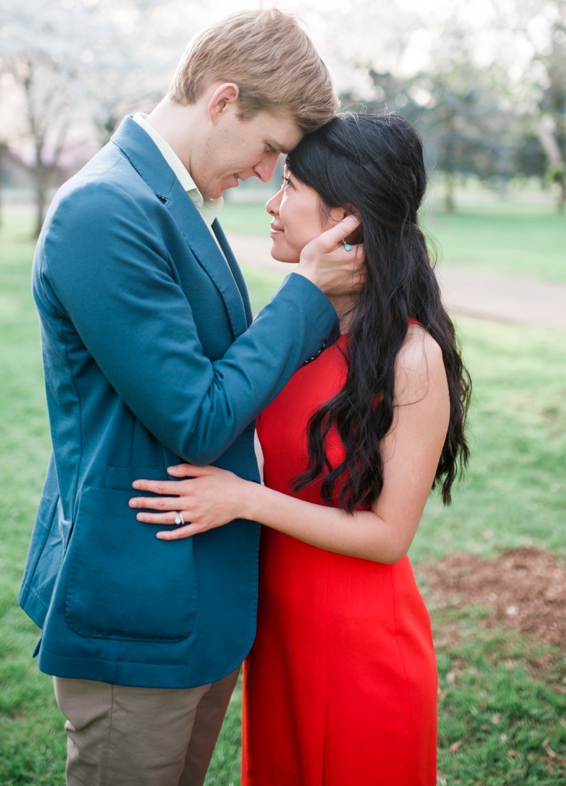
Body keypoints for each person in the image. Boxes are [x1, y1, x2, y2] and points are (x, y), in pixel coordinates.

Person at [19, 8, 361, 785]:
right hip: (132, 604)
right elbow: (198, 417)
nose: (269, 173)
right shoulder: (105, 209)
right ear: (222, 100)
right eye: (270, 147)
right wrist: (305, 294)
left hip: (195, 603)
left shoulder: (172, 201)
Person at [129, 111, 470, 785]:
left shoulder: (413, 357)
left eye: (290, 185)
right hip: (277, 635)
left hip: (361, 646)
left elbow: (388, 535)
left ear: (348, 219)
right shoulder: (288, 330)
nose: (272, 202)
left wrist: (244, 500)